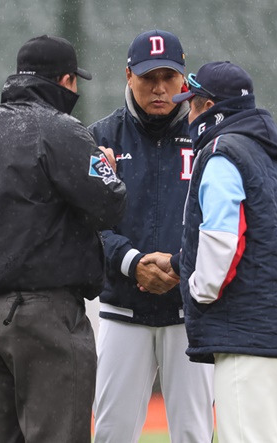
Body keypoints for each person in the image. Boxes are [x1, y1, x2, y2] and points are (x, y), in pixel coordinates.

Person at [0, 35, 127, 443]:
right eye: (75, 81)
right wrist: (110, 170)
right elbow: (109, 206)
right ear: (65, 80)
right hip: (39, 314)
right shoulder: (60, 129)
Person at [148, 61, 277, 443]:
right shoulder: (271, 153)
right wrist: (179, 262)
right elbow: (261, 238)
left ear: (207, 107)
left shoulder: (224, 151)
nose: (186, 112)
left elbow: (223, 241)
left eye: (192, 103)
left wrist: (197, 289)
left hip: (247, 336)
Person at [89, 30, 214, 443]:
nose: (160, 88)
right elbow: (84, 222)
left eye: (169, 76)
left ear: (184, 79)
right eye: (148, 77)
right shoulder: (100, 138)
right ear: (128, 75)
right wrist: (132, 261)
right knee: (111, 433)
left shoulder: (208, 139)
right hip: (123, 310)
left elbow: (220, 220)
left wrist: (182, 265)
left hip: (189, 313)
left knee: (194, 434)